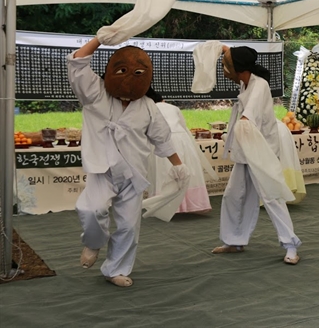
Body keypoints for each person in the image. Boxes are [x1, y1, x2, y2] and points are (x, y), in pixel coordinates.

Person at [68, 38, 189, 287]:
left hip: (133, 173)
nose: (129, 78)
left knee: (129, 226)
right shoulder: (95, 92)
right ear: (110, 70)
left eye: (138, 73)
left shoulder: (147, 107)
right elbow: (78, 63)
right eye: (122, 71)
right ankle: (93, 243)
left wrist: (178, 165)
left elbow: (161, 138)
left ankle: (116, 269)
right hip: (102, 170)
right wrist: (100, 39)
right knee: (91, 209)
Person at [211, 45, 302, 265]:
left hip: (261, 152)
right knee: (233, 195)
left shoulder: (259, 85)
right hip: (246, 151)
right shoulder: (246, 83)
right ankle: (235, 240)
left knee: (271, 197)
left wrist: (238, 128)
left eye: (226, 66)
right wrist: (224, 49)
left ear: (239, 69)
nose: (224, 71)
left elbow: (248, 118)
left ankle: (291, 245)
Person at [146, 88, 216, 215]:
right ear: (163, 100)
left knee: (165, 171)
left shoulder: (148, 108)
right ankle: (194, 204)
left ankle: (168, 206)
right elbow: (183, 126)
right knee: (187, 169)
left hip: (163, 140)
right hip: (182, 139)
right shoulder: (174, 108)